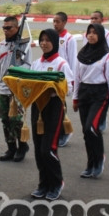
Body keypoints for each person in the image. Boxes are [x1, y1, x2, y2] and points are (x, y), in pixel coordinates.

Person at [28, 29, 73, 199]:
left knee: (48, 149)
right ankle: (43, 183)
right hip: (37, 108)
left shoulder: (61, 64)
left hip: (53, 108)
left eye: (48, 40)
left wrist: (54, 88)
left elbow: (70, 88)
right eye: (42, 40)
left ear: (54, 42)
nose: (44, 43)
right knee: (39, 149)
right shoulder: (35, 64)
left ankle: (56, 182)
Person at [72, 23, 109, 179]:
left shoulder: (107, 56)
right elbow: (77, 78)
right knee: (86, 132)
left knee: (92, 128)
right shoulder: (82, 55)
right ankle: (90, 163)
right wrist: (75, 97)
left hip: (100, 95)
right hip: (84, 93)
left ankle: (99, 160)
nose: (91, 35)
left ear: (101, 35)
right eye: (89, 33)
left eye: (94, 33)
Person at [0, 16, 31, 162]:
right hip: (3, 88)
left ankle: (22, 146)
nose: (6, 30)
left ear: (17, 28)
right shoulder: (1, 45)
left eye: (9, 28)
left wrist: (17, 68)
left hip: (17, 88)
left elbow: (28, 65)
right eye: (4, 28)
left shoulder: (24, 45)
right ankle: (11, 148)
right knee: (5, 120)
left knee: (16, 119)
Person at [53, 12, 77, 147]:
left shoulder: (69, 39)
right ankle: (57, 132)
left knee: (61, 106)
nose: (55, 24)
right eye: (54, 21)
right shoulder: (52, 36)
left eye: (58, 22)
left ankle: (65, 131)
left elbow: (72, 59)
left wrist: (72, 80)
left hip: (64, 76)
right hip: (53, 77)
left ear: (64, 22)